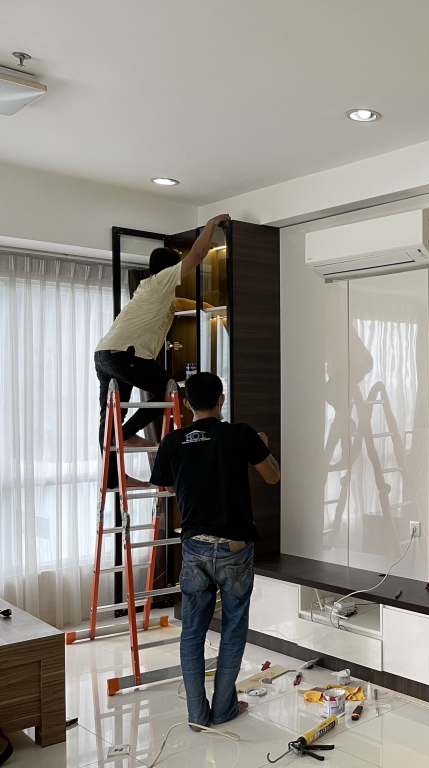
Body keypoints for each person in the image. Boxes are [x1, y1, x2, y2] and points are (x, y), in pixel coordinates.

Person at [149, 372, 280, 728]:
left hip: (195, 547)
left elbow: (166, 486)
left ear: (186, 403)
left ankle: (197, 715)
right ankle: (223, 710)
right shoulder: (241, 434)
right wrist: (262, 445)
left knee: (192, 632)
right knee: (233, 628)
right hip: (234, 548)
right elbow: (273, 475)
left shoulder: (173, 441)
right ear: (221, 400)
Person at [94, 213, 231, 488]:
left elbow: (179, 303)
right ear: (171, 269)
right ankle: (127, 434)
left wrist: (207, 307)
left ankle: (111, 479)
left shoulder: (153, 290)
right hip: (125, 354)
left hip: (106, 354)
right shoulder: (161, 282)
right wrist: (211, 225)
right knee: (169, 389)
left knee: (110, 414)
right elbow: (197, 255)